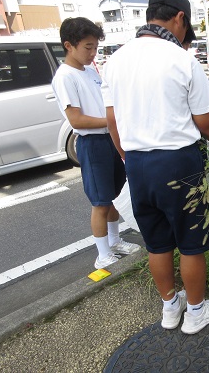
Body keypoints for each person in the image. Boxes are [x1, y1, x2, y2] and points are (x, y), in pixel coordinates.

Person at [101, 0, 209, 335]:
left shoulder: (115, 60)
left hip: (137, 165)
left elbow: (112, 121)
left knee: (157, 241)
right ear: (180, 17)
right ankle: (196, 312)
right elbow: (207, 122)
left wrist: (127, 156)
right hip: (179, 164)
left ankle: (170, 308)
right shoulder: (181, 59)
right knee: (191, 243)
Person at [51, 17, 140, 270]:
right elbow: (75, 118)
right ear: (69, 45)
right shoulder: (65, 76)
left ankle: (114, 241)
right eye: (88, 47)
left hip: (109, 138)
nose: (93, 53)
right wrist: (110, 121)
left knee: (114, 195)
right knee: (100, 201)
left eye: (95, 47)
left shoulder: (90, 71)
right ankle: (102, 254)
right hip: (93, 144)